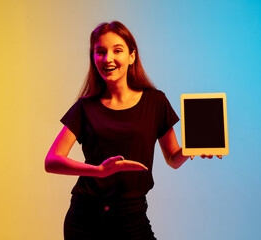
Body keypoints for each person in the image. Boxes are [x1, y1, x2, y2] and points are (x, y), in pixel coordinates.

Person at [45, 21, 218, 240]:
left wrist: (193, 148)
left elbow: (173, 158)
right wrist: (99, 171)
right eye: (100, 52)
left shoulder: (156, 102)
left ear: (131, 56)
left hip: (132, 216)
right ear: (93, 58)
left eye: (117, 50)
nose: (108, 58)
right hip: (85, 218)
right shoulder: (85, 107)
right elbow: (52, 161)